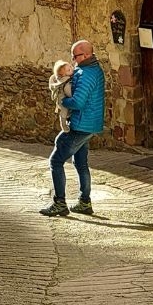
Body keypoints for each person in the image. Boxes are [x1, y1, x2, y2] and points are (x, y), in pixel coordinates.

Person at [40, 39, 105, 217]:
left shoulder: (86, 74)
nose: (73, 60)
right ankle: (84, 202)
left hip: (81, 124)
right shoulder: (94, 69)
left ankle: (59, 203)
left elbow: (77, 101)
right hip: (90, 124)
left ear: (86, 55)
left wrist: (62, 101)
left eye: (75, 56)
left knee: (55, 161)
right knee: (80, 163)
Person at [48, 59, 74, 132]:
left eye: (71, 67)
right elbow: (70, 94)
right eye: (69, 70)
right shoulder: (66, 83)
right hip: (63, 99)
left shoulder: (69, 78)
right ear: (63, 75)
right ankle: (63, 125)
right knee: (64, 112)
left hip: (65, 99)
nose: (72, 69)